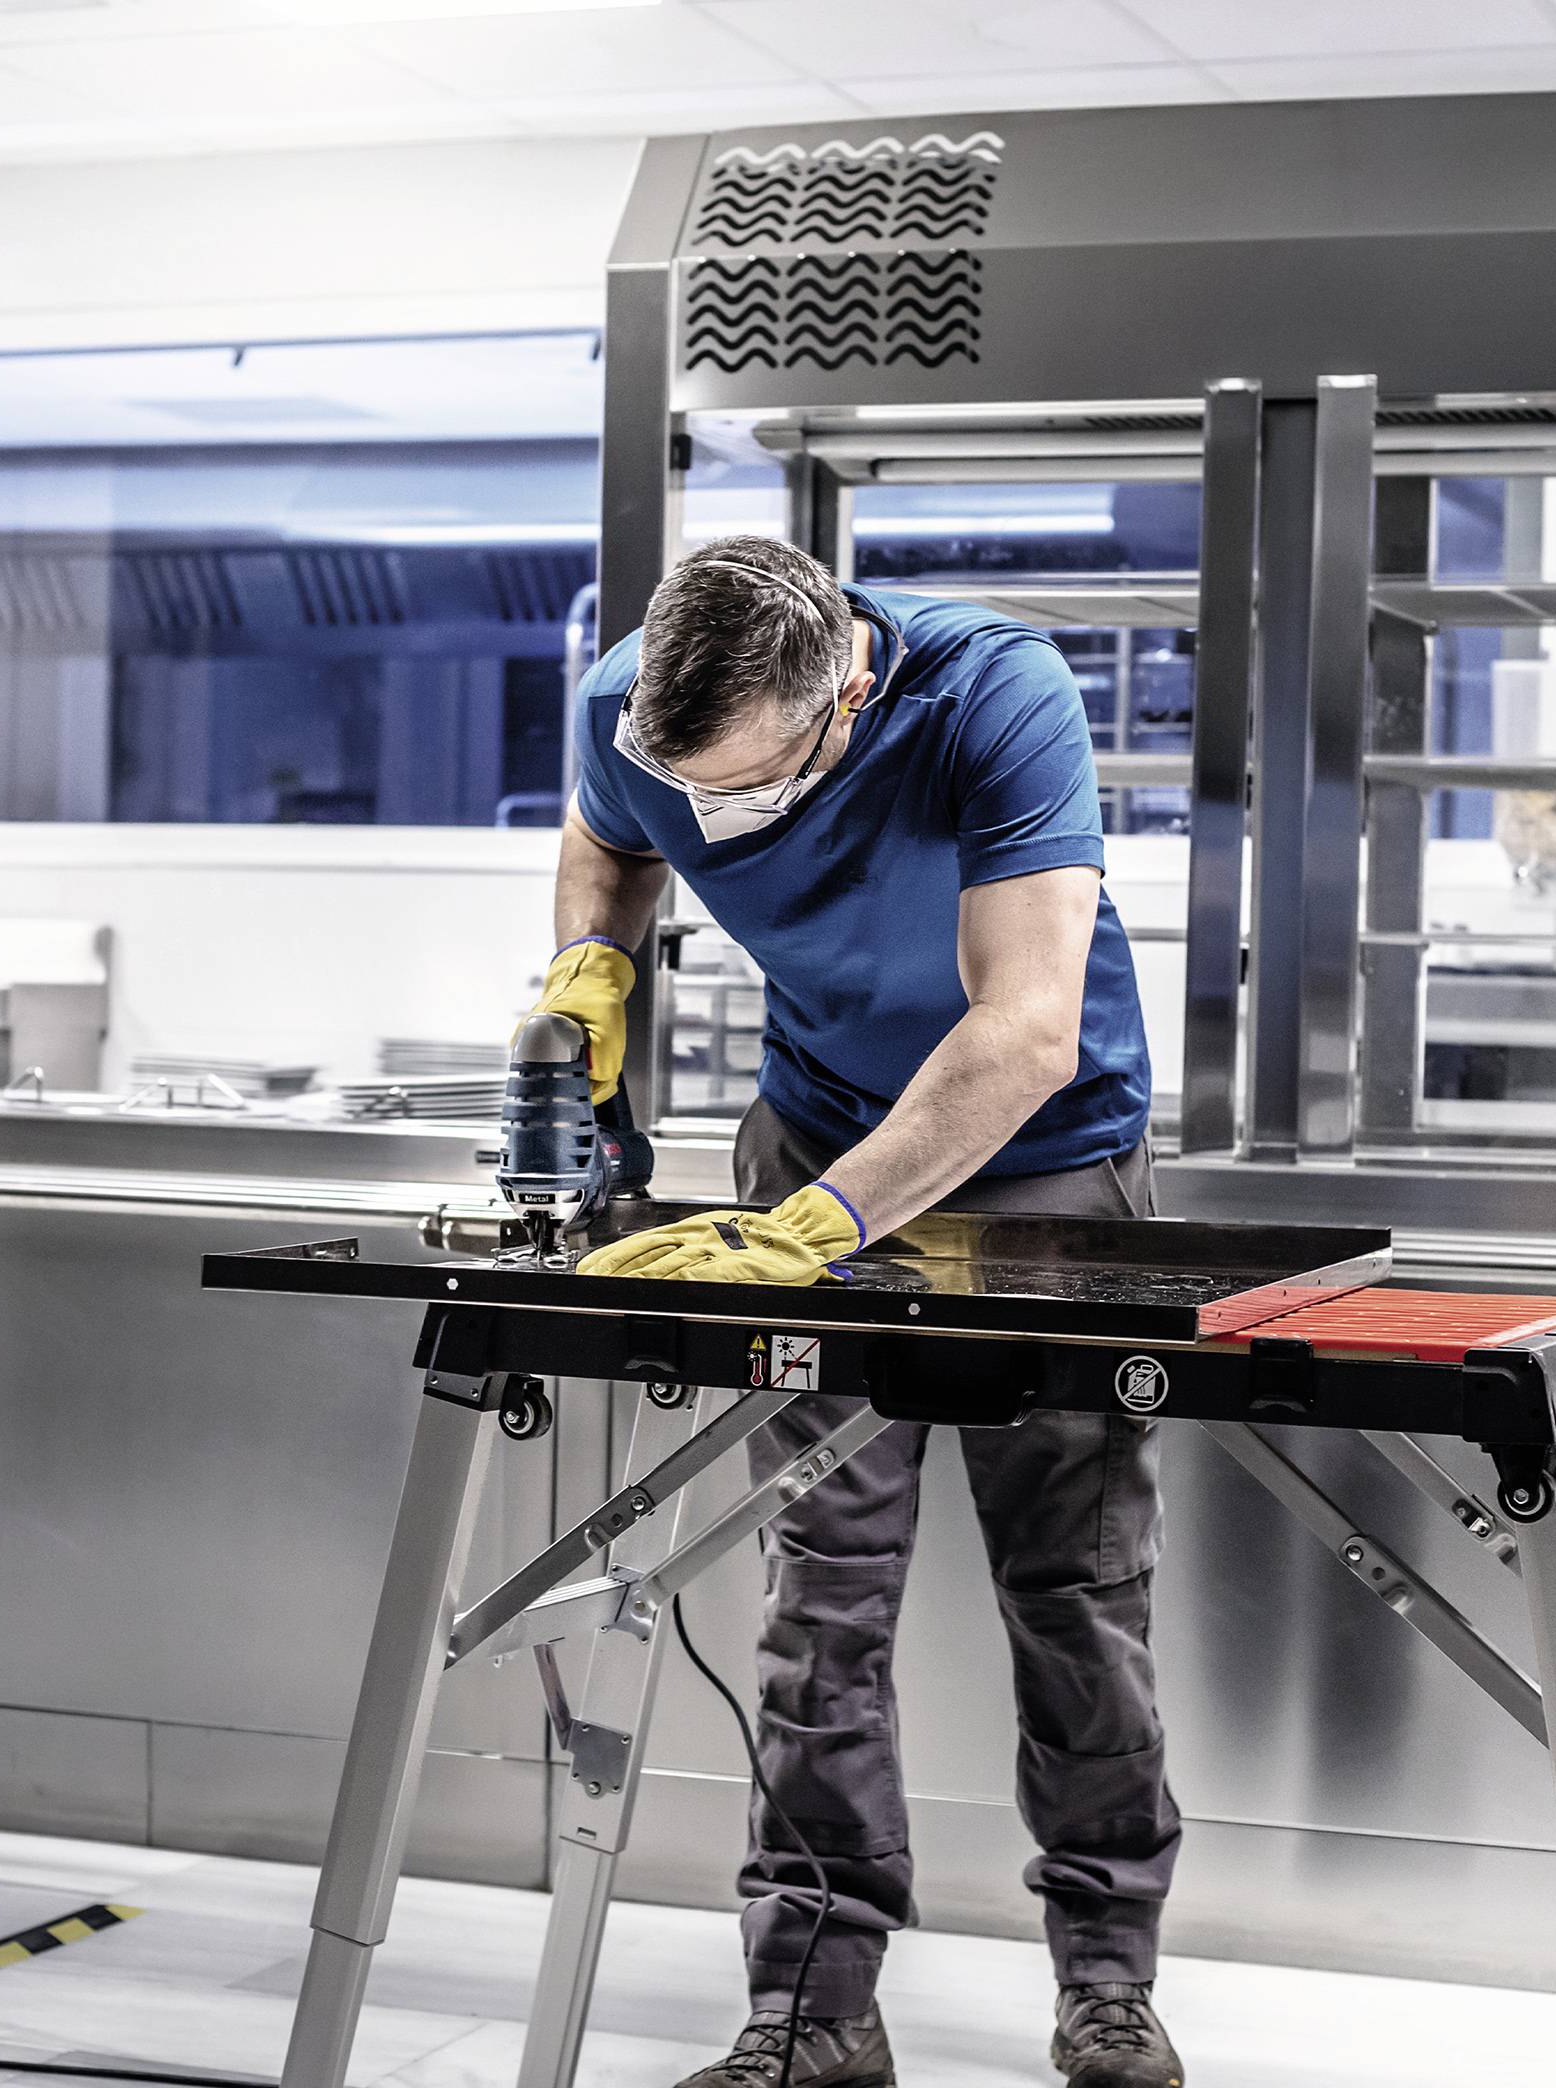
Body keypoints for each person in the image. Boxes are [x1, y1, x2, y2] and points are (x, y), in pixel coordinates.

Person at [519, 536, 1181, 2088]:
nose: (714, 819)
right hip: (811, 1131)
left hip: (1042, 1172)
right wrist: (586, 967)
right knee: (821, 1597)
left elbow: (1020, 1027)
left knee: (1074, 1599)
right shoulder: (636, 708)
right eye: (692, 785)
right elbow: (608, 838)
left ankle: (1105, 1984)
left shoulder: (988, 696)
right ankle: (811, 2005)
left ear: (850, 699)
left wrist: (818, 1233)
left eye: (745, 791)